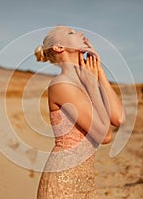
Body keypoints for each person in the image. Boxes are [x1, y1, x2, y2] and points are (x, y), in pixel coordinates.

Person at [34, 26, 125, 198]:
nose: (81, 33)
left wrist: (100, 73)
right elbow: (105, 136)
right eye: (71, 32)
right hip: (62, 181)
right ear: (59, 47)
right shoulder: (62, 85)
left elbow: (118, 118)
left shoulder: (87, 79)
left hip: (86, 180)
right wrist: (92, 85)